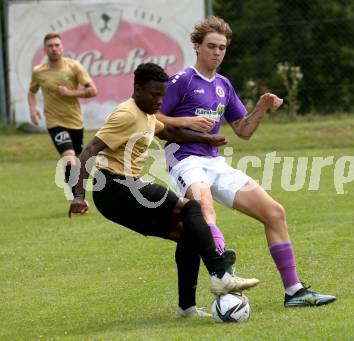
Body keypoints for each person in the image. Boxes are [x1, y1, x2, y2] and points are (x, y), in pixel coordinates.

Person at [157, 16, 336, 307]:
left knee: (275, 212)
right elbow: (154, 118)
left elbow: (243, 130)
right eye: (212, 46)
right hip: (184, 159)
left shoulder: (224, 85)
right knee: (205, 209)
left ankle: (294, 292)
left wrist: (262, 108)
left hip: (215, 162)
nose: (217, 52)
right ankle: (222, 273)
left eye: (222, 48)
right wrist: (188, 121)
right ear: (198, 47)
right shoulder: (182, 80)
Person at [68, 62, 259, 318]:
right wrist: (78, 195)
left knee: (189, 234)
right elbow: (89, 150)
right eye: (154, 94)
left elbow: (169, 131)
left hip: (121, 196)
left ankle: (187, 308)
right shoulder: (126, 114)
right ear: (137, 89)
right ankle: (220, 274)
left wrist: (207, 139)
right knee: (191, 207)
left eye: (162, 95)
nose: (160, 101)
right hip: (115, 187)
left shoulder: (146, 113)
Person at [28, 32, 98, 194]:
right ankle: (78, 199)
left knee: (76, 162)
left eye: (57, 45)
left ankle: (73, 183)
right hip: (54, 122)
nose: (54, 49)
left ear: (62, 48)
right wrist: (33, 110)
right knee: (68, 158)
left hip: (75, 121)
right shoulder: (39, 71)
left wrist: (70, 93)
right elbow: (32, 92)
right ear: (45, 49)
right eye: (50, 46)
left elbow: (93, 91)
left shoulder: (74, 67)